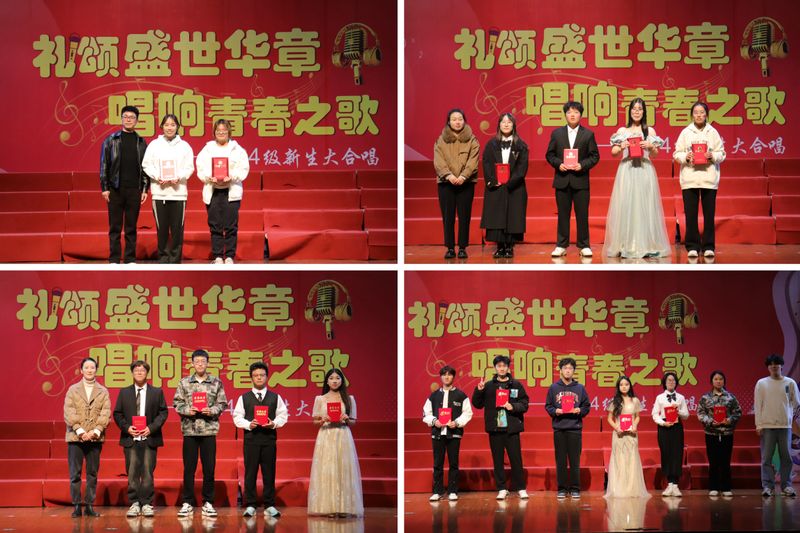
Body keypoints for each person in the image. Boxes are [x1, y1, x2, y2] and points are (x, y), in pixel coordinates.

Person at [604, 98, 671, 259]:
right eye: (634, 109)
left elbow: (655, 154)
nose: (636, 112)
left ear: (644, 112)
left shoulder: (649, 131)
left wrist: (650, 146)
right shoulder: (622, 131)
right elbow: (614, 153)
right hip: (627, 170)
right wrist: (621, 146)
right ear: (630, 111)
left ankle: (647, 244)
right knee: (626, 205)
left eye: (640, 109)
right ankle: (625, 244)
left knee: (645, 205)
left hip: (644, 169)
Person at [173, 349, 228, 517]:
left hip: (209, 430)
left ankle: (208, 502)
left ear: (207, 363)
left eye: (203, 361)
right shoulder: (184, 382)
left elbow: (222, 403)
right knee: (189, 469)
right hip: (190, 430)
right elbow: (177, 403)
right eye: (197, 362)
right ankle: (187, 502)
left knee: (209, 468)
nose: (200, 364)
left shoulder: (216, 382)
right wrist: (187, 410)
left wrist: (211, 410)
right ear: (192, 363)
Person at [112, 360, 169, 517]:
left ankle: (147, 503)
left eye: (142, 370)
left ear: (147, 373)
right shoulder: (124, 392)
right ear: (132, 373)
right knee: (132, 472)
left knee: (148, 471)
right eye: (136, 370)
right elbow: (117, 413)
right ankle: (135, 503)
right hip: (131, 438)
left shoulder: (156, 392)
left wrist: (151, 428)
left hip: (149, 438)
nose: (139, 373)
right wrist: (127, 428)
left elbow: (163, 412)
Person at [232, 362, 288, 518]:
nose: (259, 378)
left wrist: (273, 424)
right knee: (250, 473)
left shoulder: (275, 397)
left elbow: (283, 415)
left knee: (269, 473)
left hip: (269, 439)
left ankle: (269, 504)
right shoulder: (244, 398)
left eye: (262, 375)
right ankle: (251, 504)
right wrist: (249, 424)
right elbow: (237, 417)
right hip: (251, 440)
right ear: (251, 378)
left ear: (267, 377)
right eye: (256, 375)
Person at [545, 101, 600, 258]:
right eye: (569, 112)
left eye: (576, 112)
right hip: (562, 180)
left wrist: (582, 165)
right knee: (563, 214)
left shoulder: (588, 134)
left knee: (582, 214)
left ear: (580, 115)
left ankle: (584, 245)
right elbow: (549, 155)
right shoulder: (557, 134)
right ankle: (561, 245)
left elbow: (595, 156)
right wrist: (559, 164)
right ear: (565, 115)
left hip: (580, 180)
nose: (573, 115)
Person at [672, 101, 726, 260]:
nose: (699, 115)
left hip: (709, 178)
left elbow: (722, 153)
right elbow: (676, 153)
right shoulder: (685, 132)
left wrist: (712, 156)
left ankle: (708, 246)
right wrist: (686, 157)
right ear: (692, 115)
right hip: (690, 178)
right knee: (691, 214)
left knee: (709, 215)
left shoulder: (713, 132)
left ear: (706, 115)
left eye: (702, 112)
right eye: (696, 112)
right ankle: (692, 246)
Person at [471, 355, 529, 500]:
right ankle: (502, 488)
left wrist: (513, 406)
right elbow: (477, 404)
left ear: (508, 368)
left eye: (504, 366)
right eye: (499, 366)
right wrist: (479, 390)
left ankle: (521, 488)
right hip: (495, 428)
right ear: (495, 368)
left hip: (511, 428)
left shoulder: (516, 385)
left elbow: (525, 404)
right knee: (497, 460)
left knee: (516, 459)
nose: (502, 368)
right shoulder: (488, 385)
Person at [308, 368, 364, 517]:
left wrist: (346, 419)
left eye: (337, 378)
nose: (334, 381)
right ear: (327, 381)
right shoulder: (320, 399)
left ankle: (345, 507)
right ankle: (329, 508)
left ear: (342, 381)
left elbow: (353, 422)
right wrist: (322, 420)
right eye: (331, 378)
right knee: (327, 469)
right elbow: (315, 422)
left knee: (343, 469)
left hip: (342, 435)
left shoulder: (349, 399)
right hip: (326, 435)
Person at [141, 114, 195, 264]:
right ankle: (163, 259)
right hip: (159, 193)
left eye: (172, 125)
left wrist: (179, 177)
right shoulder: (154, 145)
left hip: (179, 193)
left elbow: (189, 167)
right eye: (166, 125)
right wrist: (157, 176)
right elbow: (146, 165)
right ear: (162, 127)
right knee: (162, 229)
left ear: (177, 127)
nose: (169, 128)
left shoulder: (185, 146)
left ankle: (176, 260)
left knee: (178, 230)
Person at [196, 119, 250, 264]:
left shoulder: (238, 150)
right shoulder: (207, 149)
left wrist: (232, 177)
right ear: (214, 132)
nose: (221, 133)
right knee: (215, 225)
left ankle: (230, 256)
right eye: (218, 131)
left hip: (231, 191)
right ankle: (218, 256)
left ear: (229, 132)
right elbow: (200, 167)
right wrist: (209, 177)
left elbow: (243, 169)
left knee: (231, 225)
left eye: (224, 131)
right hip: (213, 190)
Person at [99, 105, 149, 264]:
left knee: (131, 226)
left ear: (137, 121)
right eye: (126, 117)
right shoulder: (111, 140)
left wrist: (145, 188)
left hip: (134, 189)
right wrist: (105, 188)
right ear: (121, 119)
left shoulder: (141, 142)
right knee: (114, 226)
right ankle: (114, 258)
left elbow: (146, 167)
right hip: (115, 189)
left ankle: (130, 258)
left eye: (132, 117)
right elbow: (104, 165)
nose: (128, 120)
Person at [63, 357, 111, 518]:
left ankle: (89, 505)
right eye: (87, 367)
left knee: (92, 473)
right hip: (75, 437)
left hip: (95, 438)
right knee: (75, 474)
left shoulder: (103, 391)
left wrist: (96, 431)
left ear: (96, 370)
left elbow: (106, 412)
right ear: (81, 370)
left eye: (92, 367)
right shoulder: (73, 389)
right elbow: (69, 411)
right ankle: (77, 505)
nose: (90, 370)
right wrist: (80, 431)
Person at [480, 113, 529, 259]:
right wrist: (493, 181)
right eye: (503, 122)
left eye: (509, 122)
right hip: (496, 186)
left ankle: (509, 247)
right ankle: (500, 246)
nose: (506, 124)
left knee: (513, 216)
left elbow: (522, 167)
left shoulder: (521, 145)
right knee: (496, 216)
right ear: (499, 125)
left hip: (515, 186)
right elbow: (486, 163)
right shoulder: (491, 144)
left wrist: (510, 182)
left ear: (514, 125)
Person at [433, 108, 480, 259]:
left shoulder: (472, 140)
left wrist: (464, 176)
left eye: (460, 119)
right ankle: (450, 248)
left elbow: (473, 160)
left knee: (464, 216)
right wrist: (449, 175)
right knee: (448, 217)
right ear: (449, 122)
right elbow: (438, 160)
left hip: (466, 182)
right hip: (446, 183)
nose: (457, 122)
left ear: (464, 121)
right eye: (454, 119)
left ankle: (462, 247)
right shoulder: (441, 140)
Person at [422, 365, 474, 501]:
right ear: (440, 377)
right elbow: (426, 413)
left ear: (453, 377)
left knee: (453, 463)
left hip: (454, 433)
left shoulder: (461, 395)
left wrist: (456, 423)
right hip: (438, 433)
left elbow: (468, 413)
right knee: (437, 463)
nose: (447, 377)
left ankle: (452, 491)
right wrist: (434, 421)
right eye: (444, 375)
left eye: (449, 374)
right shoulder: (433, 396)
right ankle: (437, 491)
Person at [544, 357, 590, 499]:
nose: (568, 371)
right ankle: (562, 489)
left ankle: (575, 488)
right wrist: (555, 411)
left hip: (575, 428)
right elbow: (548, 406)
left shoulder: (580, 388)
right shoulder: (554, 388)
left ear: (574, 371)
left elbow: (586, 406)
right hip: (559, 428)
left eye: (570, 368)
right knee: (561, 461)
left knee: (575, 460)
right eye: (565, 368)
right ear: (560, 370)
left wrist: (579, 410)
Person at [755, 354, 800, 498]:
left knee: (786, 457)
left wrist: (789, 417)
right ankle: (768, 486)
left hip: (785, 426)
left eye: (776, 364)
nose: (774, 366)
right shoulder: (762, 383)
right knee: (766, 458)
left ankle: (786, 486)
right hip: (767, 426)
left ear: (781, 366)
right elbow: (758, 405)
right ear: (768, 367)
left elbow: (796, 403)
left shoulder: (790, 383)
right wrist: (759, 424)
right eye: (771, 364)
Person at [697, 370, 742, 497]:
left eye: (720, 379)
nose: (718, 381)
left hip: (727, 433)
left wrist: (729, 420)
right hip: (711, 433)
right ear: (711, 381)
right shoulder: (705, 397)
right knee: (713, 461)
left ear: (724, 381)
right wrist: (710, 422)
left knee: (726, 461)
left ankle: (726, 487)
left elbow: (738, 412)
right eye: (716, 379)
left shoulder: (731, 397)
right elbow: (700, 413)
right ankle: (714, 487)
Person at [605, 376, 649, 498]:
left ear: (630, 386)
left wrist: (635, 425)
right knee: (619, 460)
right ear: (618, 387)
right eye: (621, 385)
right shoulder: (614, 402)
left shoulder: (635, 401)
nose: (624, 387)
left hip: (632, 434)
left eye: (626, 384)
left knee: (632, 460)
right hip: (619, 435)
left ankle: (632, 490)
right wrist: (617, 427)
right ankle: (619, 489)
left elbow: (637, 417)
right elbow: (609, 419)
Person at [651, 372, 690, 497]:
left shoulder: (681, 397)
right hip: (664, 428)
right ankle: (669, 484)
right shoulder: (659, 397)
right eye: (669, 380)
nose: (671, 382)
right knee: (666, 454)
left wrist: (678, 412)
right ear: (664, 382)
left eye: (673, 380)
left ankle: (676, 485)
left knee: (677, 454)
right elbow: (654, 414)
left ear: (676, 382)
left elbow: (686, 415)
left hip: (677, 427)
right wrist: (663, 423)